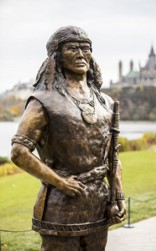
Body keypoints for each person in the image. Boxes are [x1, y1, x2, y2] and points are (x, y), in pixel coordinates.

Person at [11, 26, 126, 251]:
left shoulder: (107, 103)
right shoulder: (43, 101)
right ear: (57, 56)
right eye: (72, 48)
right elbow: (19, 152)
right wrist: (60, 182)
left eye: (86, 48)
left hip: (98, 205)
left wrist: (118, 194)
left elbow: (113, 156)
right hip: (60, 207)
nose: (81, 54)